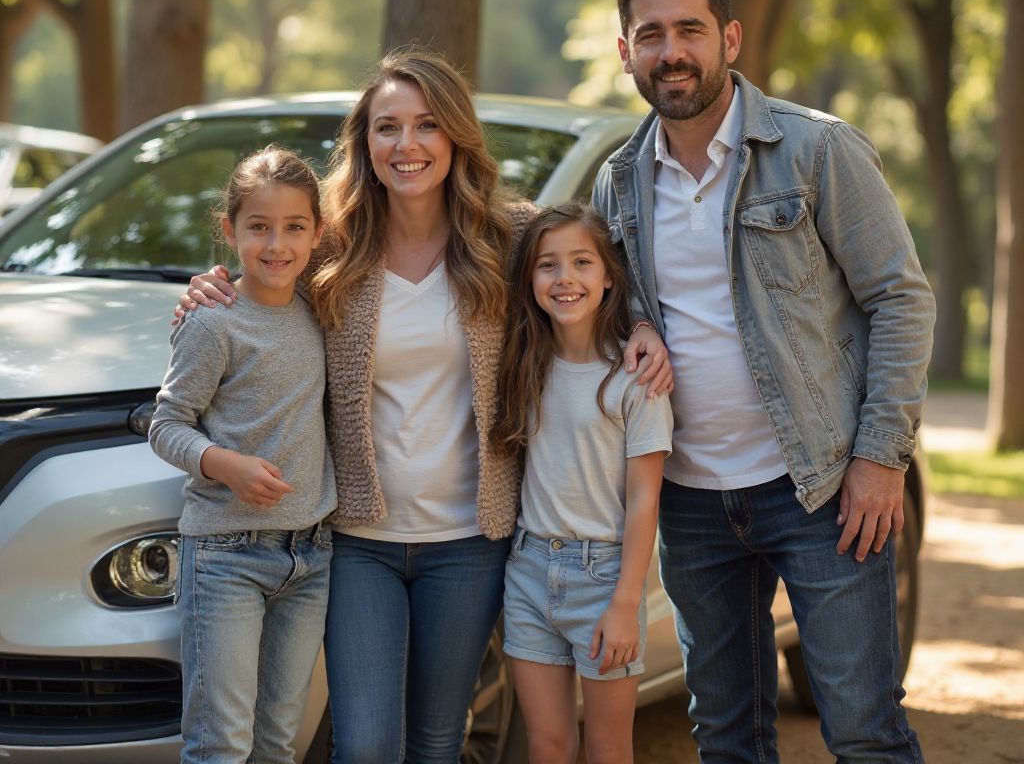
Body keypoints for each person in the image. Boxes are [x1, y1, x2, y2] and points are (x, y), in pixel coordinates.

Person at [178, 50, 671, 763]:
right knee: (369, 744)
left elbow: (593, 273)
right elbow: (262, 278)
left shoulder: (509, 240)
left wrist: (645, 323)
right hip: (356, 541)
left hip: (470, 545)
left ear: (455, 138)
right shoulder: (329, 247)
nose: (406, 146)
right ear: (365, 142)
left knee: (439, 742)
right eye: (387, 128)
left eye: (426, 126)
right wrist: (206, 288)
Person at [592, 0, 936, 763]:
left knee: (863, 731)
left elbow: (900, 298)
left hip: (818, 489)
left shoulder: (817, 151)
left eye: (689, 30)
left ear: (730, 38)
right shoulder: (619, 185)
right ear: (625, 53)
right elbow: (596, 316)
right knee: (728, 740)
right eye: (651, 35)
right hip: (689, 501)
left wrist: (880, 459)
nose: (671, 51)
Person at [150, 146, 336, 764]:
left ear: (318, 232)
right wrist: (224, 464)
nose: (276, 244)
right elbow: (166, 423)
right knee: (221, 742)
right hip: (226, 556)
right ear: (229, 231)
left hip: (309, 558)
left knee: (278, 743)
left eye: (294, 227)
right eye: (258, 227)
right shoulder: (213, 321)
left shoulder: (321, 307)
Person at [491, 204, 673, 764]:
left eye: (581, 262)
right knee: (546, 744)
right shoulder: (523, 363)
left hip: (604, 579)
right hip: (528, 572)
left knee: (608, 746)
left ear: (609, 276)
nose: (564, 278)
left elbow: (645, 499)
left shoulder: (635, 377)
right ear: (529, 278)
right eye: (547, 265)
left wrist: (625, 603)